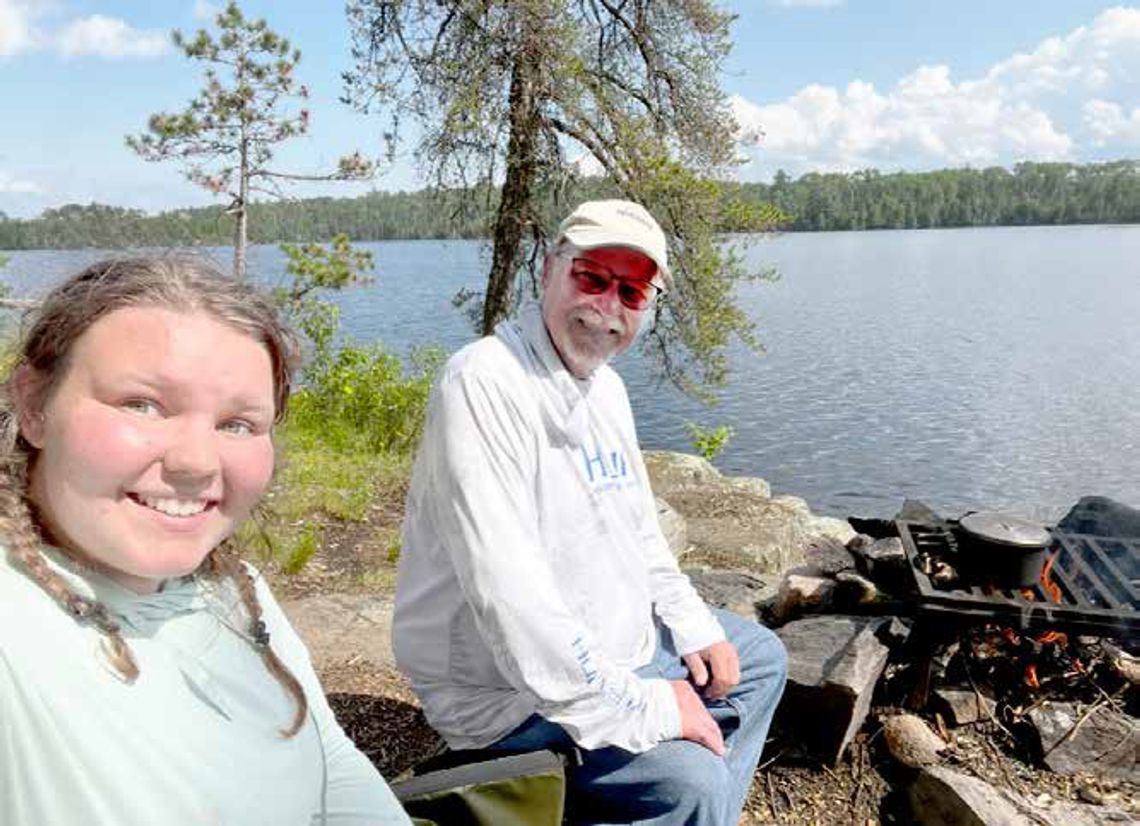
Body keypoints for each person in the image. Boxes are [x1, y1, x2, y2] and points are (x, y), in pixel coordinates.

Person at [394, 200, 788, 825]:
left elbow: (637, 530)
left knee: (762, 659)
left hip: (613, 644)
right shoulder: (483, 383)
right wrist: (654, 709)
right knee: (693, 785)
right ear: (549, 269)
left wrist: (692, 623)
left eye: (631, 292)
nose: (607, 306)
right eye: (592, 277)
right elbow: (512, 603)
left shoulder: (606, 388)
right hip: (508, 692)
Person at [0, 257, 410, 825]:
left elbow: (330, 760)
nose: (195, 462)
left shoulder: (237, 594)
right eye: (142, 405)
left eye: (237, 424)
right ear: (33, 404)